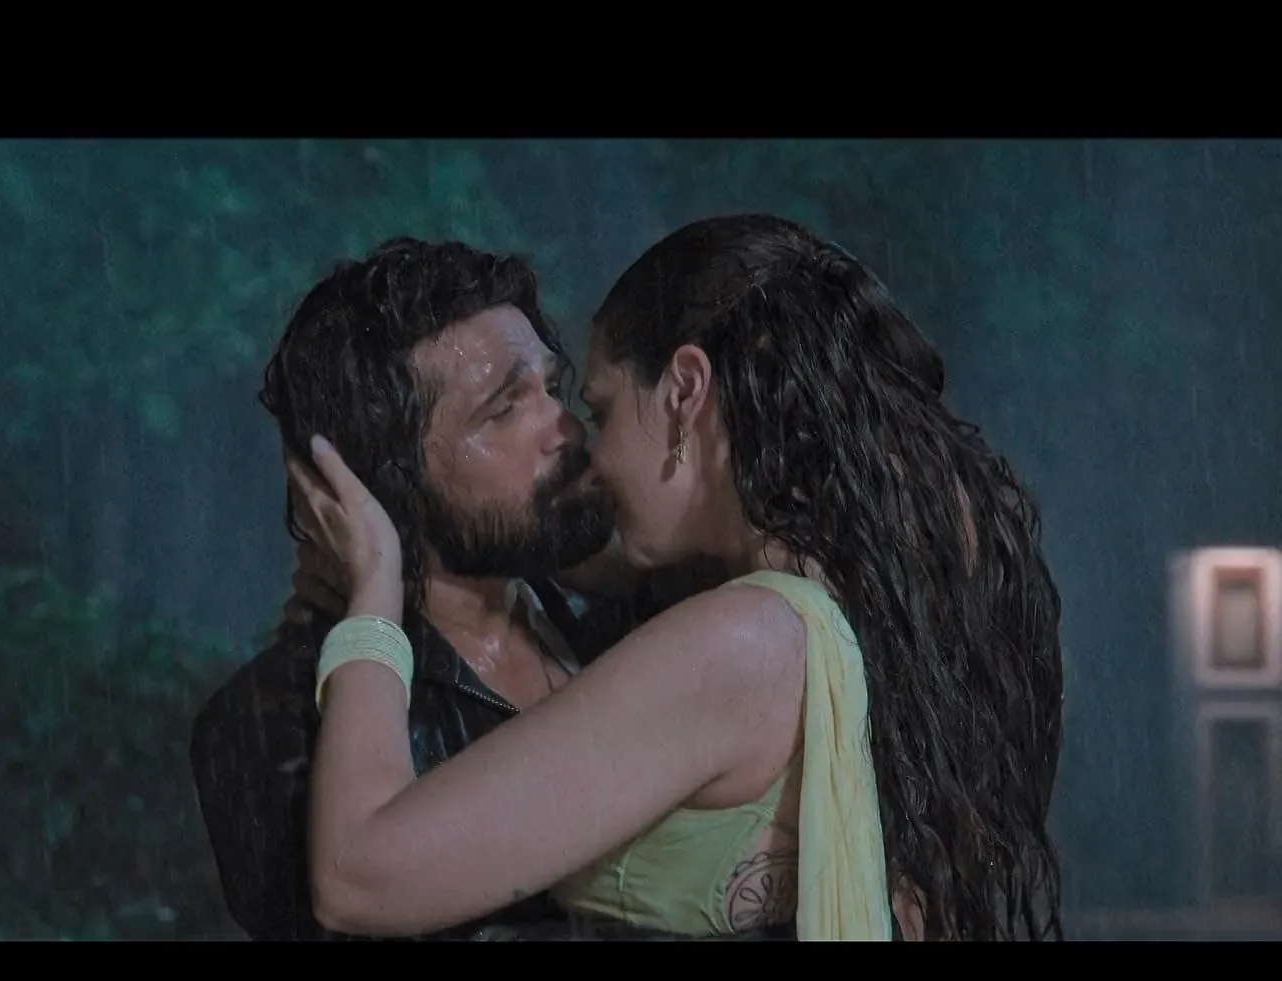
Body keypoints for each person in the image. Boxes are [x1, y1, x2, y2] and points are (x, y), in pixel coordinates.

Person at [286, 214, 1066, 942]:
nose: (586, 449)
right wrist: (480, 534)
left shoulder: (741, 642)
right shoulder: (885, 588)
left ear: (686, 391)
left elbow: (358, 879)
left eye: (597, 408)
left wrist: (374, 590)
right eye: (506, 412)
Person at [187, 237, 741, 941]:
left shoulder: (637, 621)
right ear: (384, 481)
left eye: (551, 388)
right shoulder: (272, 720)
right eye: (504, 409)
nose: (565, 427)